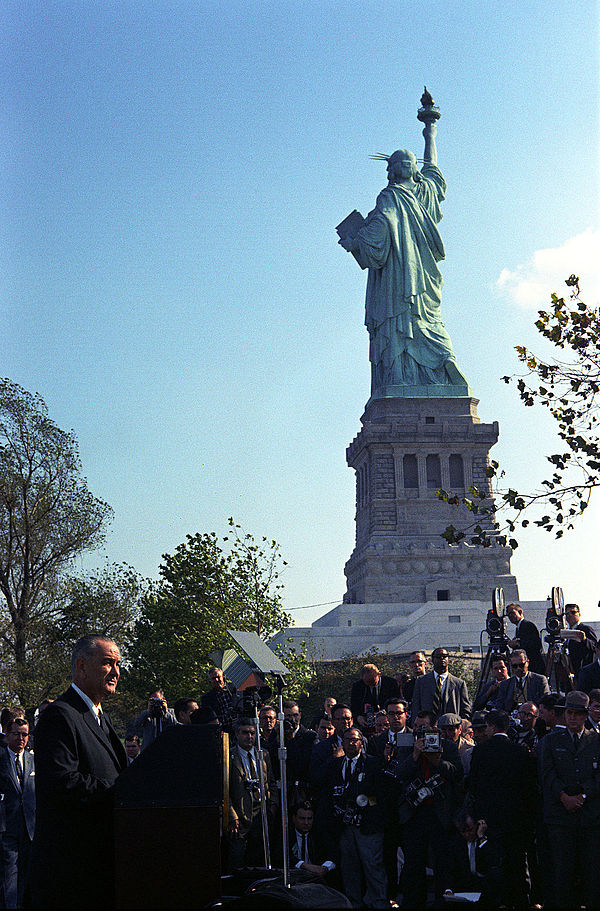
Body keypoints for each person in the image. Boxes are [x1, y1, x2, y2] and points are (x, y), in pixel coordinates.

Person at [339, 100, 468, 394]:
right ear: (406, 169)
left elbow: (380, 228)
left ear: (394, 171)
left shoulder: (391, 197)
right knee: (421, 320)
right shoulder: (423, 192)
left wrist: (354, 242)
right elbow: (433, 167)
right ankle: (438, 368)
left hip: (402, 280)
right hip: (414, 274)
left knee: (401, 323)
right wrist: (430, 129)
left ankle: (407, 377)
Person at [29, 634, 127, 909]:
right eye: (108, 663)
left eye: (118, 664)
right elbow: (64, 783)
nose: (116, 672)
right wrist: (123, 789)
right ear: (82, 667)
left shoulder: (102, 718)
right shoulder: (60, 716)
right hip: (71, 877)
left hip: (101, 871)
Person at [393, 711, 464, 906]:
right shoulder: (408, 745)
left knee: (443, 862)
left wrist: (437, 761)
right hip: (414, 814)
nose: (419, 732)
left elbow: (457, 774)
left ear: (435, 729)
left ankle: (443, 902)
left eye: (424, 728)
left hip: (440, 813)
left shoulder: (447, 746)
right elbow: (399, 773)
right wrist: (415, 755)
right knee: (413, 863)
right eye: (416, 727)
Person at [467, 709, 536, 909]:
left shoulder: (480, 751)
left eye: (486, 726)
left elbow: (474, 785)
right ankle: (520, 902)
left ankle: (498, 902)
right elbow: (529, 787)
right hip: (516, 820)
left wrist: (480, 815)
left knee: (494, 865)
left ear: (492, 726)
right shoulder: (520, 751)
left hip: (490, 820)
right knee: (517, 864)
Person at [540, 690, 600, 910]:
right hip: (560, 818)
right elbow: (546, 773)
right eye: (569, 713)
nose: (572, 717)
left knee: (592, 872)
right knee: (562, 872)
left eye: (577, 713)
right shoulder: (550, 740)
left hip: (589, 818)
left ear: (586, 716)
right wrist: (563, 796)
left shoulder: (596, 740)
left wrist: (583, 796)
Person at [322, 727, 388, 907]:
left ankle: (379, 902)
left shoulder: (373, 763)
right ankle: (353, 903)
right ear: (342, 742)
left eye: (355, 740)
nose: (351, 743)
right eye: (347, 740)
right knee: (349, 867)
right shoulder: (334, 764)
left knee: (373, 866)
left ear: (361, 742)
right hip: (343, 825)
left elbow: (383, 795)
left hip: (368, 825)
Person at [227, 716, 277, 871]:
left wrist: (272, 806)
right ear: (237, 734)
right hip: (240, 817)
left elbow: (272, 782)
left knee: (259, 860)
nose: (249, 737)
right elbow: (224, 790)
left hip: (261, 815)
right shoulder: (229, 756)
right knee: (237, 859)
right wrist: (232, 815)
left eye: (252, 733)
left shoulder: (264, 755)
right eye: (245, 733)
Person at [0, 717, 35, 908]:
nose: (21, 738)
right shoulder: (1, 759)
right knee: (9, 879)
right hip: (8, 830)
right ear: (6, 735)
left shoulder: (33, 760)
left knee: (27, 878)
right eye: (16, 734)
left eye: (24, 734)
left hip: (30, 830)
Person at [411, 647, 471, 721]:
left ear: (448, 659)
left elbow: (465, 709)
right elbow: (416, 707)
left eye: (445, 656)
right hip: (428, 727)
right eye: (438, 657)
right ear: (432, 660)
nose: (442, 658)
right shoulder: (421, 681)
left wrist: (462, 724)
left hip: (450, 727)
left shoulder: (459, 683)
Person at [350, 663, 399, 732]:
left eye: (372, 682)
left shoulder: (391, 683)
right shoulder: (357, 686)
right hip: (367, 725)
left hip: (388, 723)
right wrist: (358, 717)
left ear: (379, 675)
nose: (370, 685)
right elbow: (354, 707)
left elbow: (397, 702)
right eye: (367, 682)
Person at [506, 603, 545, 674]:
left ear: (520, 612)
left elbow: (535, 645)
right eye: (508, 615)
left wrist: (517, 643)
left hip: (533, 667)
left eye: (512, 613)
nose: (510, 617)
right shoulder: (519, 628)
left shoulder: (528, 625)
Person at [564, 603, 597, 676]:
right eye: (567, 613)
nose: (570, 615)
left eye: (573, 612)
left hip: (583, 670)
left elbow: (595, 646)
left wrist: (585, 640)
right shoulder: (566, 632)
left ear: (579, 614)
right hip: (570, 671)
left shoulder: (586, 629)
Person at [201, 666, 236, 731]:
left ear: (223, 677)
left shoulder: (234, 689)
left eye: (218, 677)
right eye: (213, 678)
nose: (216, 680)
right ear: (210, 681)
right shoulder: (207, 698)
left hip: (240, 726)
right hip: (223, 729)